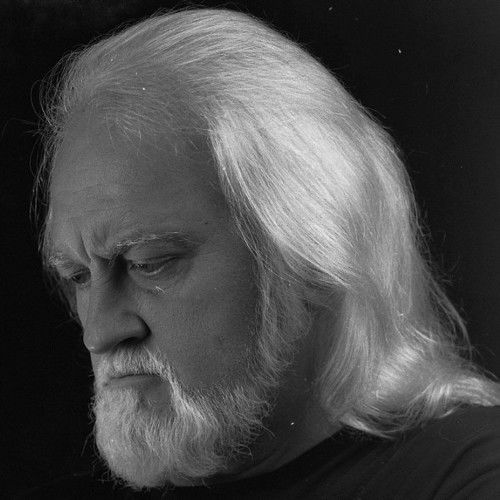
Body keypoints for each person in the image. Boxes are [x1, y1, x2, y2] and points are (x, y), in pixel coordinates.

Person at [29, 7, 500, 499]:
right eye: (79, 276)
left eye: (149, 263)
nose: (98, 332)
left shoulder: (469, 479)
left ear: (311, 250)